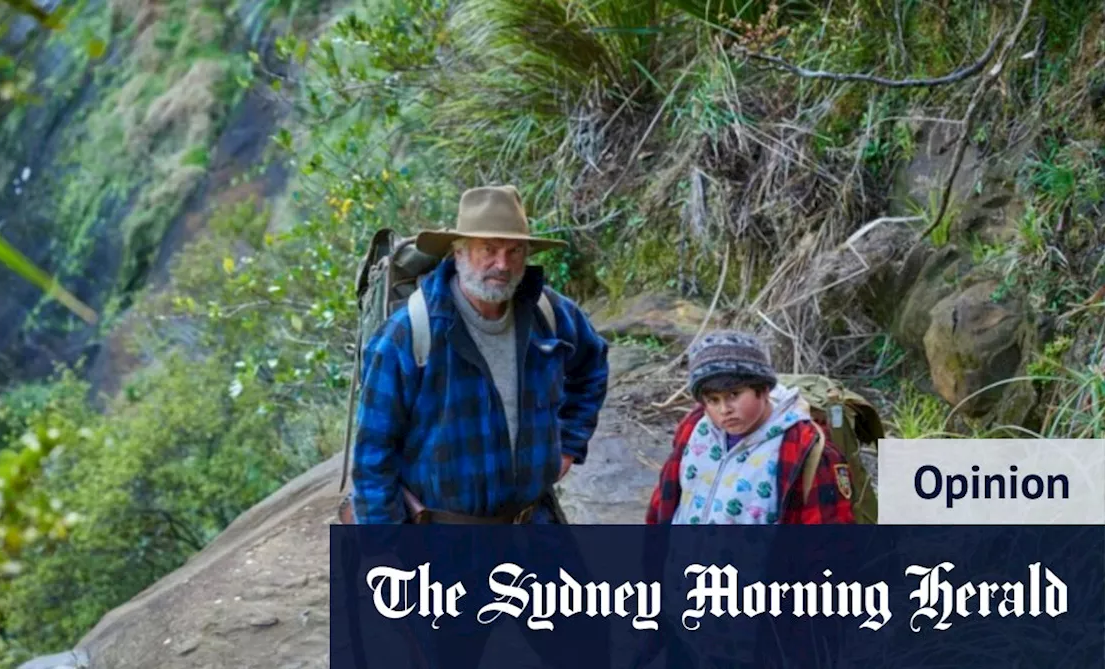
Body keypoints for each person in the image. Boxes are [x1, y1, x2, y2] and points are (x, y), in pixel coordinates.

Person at [349, 184, 611, 525]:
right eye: (488, 249)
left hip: (534, 523)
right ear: (458, 252)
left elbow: (592, 364)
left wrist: (569, 443)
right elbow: (373, 457)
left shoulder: (547, 313)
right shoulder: (409, 333)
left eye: (514, 251)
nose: (502, 264)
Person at [646, 329, 855, 526]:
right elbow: (665, 498)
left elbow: (827, 539)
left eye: (734, 395)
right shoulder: (694, 427)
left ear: (763, 390)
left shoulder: (803, 447)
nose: (724, 409)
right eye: (713, 400)